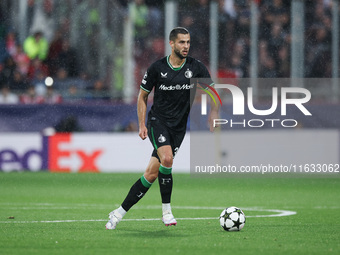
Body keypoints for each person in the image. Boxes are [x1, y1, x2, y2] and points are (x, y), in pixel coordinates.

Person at [105, 27, 219, 230]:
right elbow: (142, 96)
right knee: (167, 158)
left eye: (188, 42)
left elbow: (213, 92)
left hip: (178, 128)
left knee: (151, 174)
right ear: (172, 44)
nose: (186, 46)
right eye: (182, 42)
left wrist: (214, 113)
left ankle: (118, 213)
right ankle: (166, 211)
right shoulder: (157, 68)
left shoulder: (196, 67)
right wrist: (141, 123)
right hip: (158, 122)